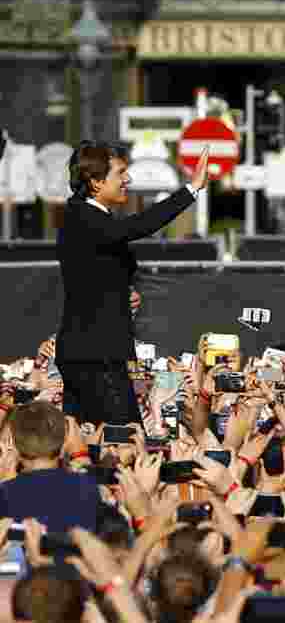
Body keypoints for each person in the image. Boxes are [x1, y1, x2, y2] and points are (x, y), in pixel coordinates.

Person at [55, 141, 210, 426]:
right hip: (97, 356)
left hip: (95, 352)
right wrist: (191, 189)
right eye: (120, 173)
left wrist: (120, 292)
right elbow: (137, 226)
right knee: (125, 441)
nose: (128, 179)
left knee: (87, 444)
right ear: (96, 182)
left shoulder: (89, 217)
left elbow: (98, 274)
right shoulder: (84, 217)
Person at [0, 401, 102, 533]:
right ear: (64, 442)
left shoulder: (7, 492)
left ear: (15, 445)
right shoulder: (88, 487)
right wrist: (80, 455)